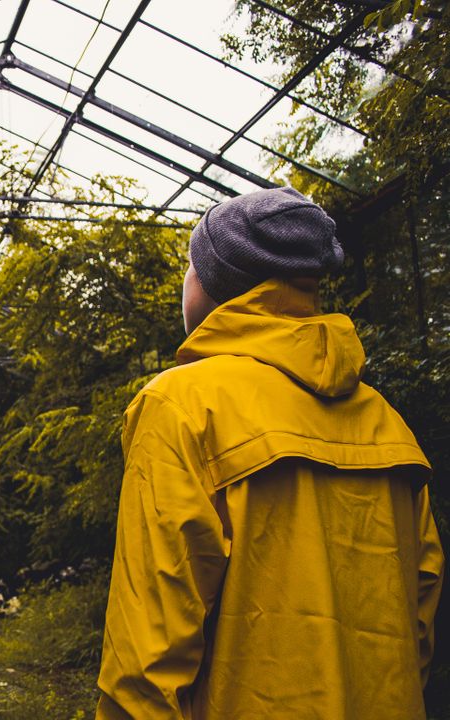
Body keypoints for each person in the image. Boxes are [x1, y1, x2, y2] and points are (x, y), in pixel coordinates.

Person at [94, 186, 444, 719]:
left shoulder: (183, 405)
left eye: (191, 267)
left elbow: (148, 646)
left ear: (219, 284)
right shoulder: (384, 420)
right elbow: (418, 618)